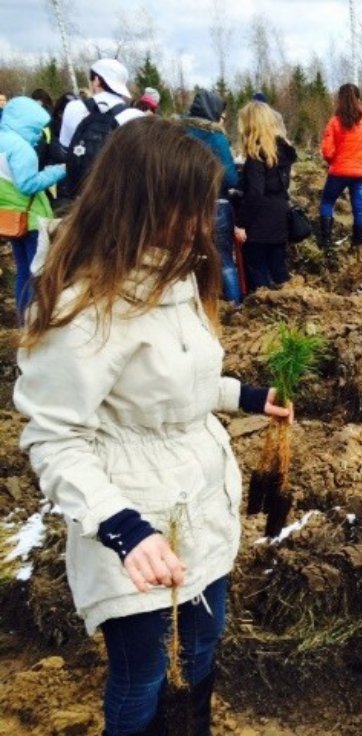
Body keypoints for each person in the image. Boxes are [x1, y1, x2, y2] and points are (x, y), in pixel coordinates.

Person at [14, 115, 293, 736]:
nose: (204, 223)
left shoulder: (174, 274)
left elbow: (171, 388)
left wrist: (245, 396)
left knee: (199, 653)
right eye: (190, 208)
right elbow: (53, 436)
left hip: (201, 506)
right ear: (143, 203)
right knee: (143, 674)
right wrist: (123, 528)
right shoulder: (85, 308)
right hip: (135, 526)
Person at [0, 97, 66, 323]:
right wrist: (57, 171)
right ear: (25, 124)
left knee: (22, 272)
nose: (39, 136)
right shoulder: (21, 149)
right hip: (32, 221)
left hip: (10, 219)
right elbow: (27, 184)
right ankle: (37, 321)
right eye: (36, 129)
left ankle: (22, 320)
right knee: (39, 273)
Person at [181, 90, 241, 305]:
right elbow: (231, 178)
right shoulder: (216, 136)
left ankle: (197, 305)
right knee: (224, 260)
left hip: (182, 206)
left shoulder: (178, 132)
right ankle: (236, 306)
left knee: (187, 260)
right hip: (215, 205)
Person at [57, 59, 143, 203]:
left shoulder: (73, 108)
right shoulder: (135, 116)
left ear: (96, 80)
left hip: (80, 195)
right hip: (117, 197)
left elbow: (65, 148)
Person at [237, 100, 297, 291]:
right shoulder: (283, 151)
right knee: (279, 268)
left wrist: (241, 223)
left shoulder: (256, 154)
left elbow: (255, 193)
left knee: (258, 272)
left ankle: (262, 311)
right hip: (279, 215)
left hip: (259, 221)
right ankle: (287, 309)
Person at [317, 83, 362, 251]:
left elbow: (327, 151)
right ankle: (357, 243)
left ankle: (326, 241)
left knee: (327, 202)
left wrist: (334, 162)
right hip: (361, 174)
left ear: (339, 99)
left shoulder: (335, 122)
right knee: (359, 209)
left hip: (339, 171)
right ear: (358, 99)